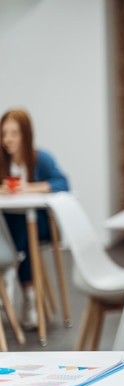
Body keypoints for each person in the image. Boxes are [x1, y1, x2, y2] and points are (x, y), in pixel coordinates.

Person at [0, 108, 70, 329]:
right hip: (11, 227)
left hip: (40, 225)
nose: (7, 140)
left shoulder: (41, 159)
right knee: (13, 226)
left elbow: (63, 183)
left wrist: (29, 187)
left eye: (14, 133)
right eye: (4, 134)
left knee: (24, 226)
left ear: (26, 134)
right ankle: (22, 286)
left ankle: (10, 269)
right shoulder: (2, 162)